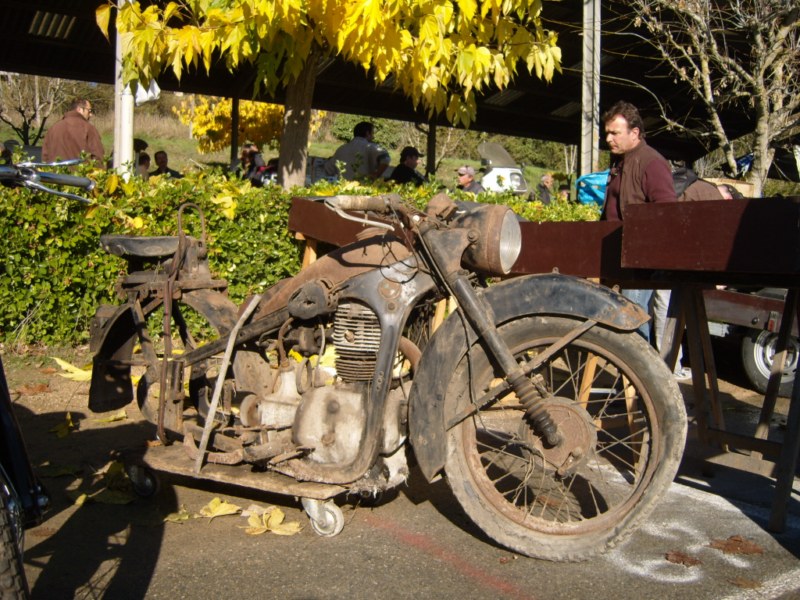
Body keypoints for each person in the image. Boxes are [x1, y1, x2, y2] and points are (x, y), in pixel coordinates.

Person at [601, 100, 677, 351]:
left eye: (615, 133)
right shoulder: (620, 162)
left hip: (639, 262)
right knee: (620, 322)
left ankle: (644, 383)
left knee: (633, 323)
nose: (609, 138)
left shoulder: (651, 162)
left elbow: (667, 212)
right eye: (607, 133)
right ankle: (630, 385)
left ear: (635, 133)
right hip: (616, 259)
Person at [41, 98, 105, 167]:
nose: (91, 114)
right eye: (89, 111)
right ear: (80, 109)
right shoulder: (89, 129)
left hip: (55, 175)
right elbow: (98, 158)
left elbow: (45, 157)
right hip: (80, 176)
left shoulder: (53, 128)